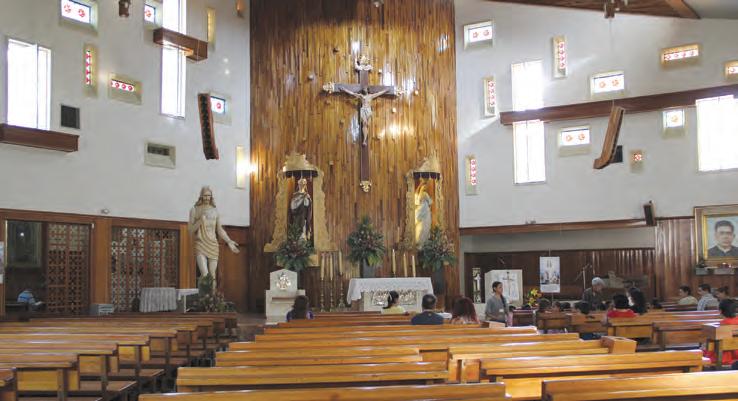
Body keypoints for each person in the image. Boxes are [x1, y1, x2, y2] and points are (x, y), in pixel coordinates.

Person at [188, 186, 240, 287]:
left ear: (211, 196)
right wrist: (200, 221)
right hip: (201, 243)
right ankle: (204, 295)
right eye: (205, 195)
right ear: (201, 196)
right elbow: (190, 230)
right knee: (205, 274)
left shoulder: (215, 211)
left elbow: (219, 230)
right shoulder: (194, 210)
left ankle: (212, 296)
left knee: (212, 276)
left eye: (209, 196)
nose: (207, 198)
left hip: (213, 244)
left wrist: (229, 241)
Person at [704, 299, 738, 364]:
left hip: (724, 357)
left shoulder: (722, 325)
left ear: (720, 311)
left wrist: (705, 352)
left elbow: (712, 348)